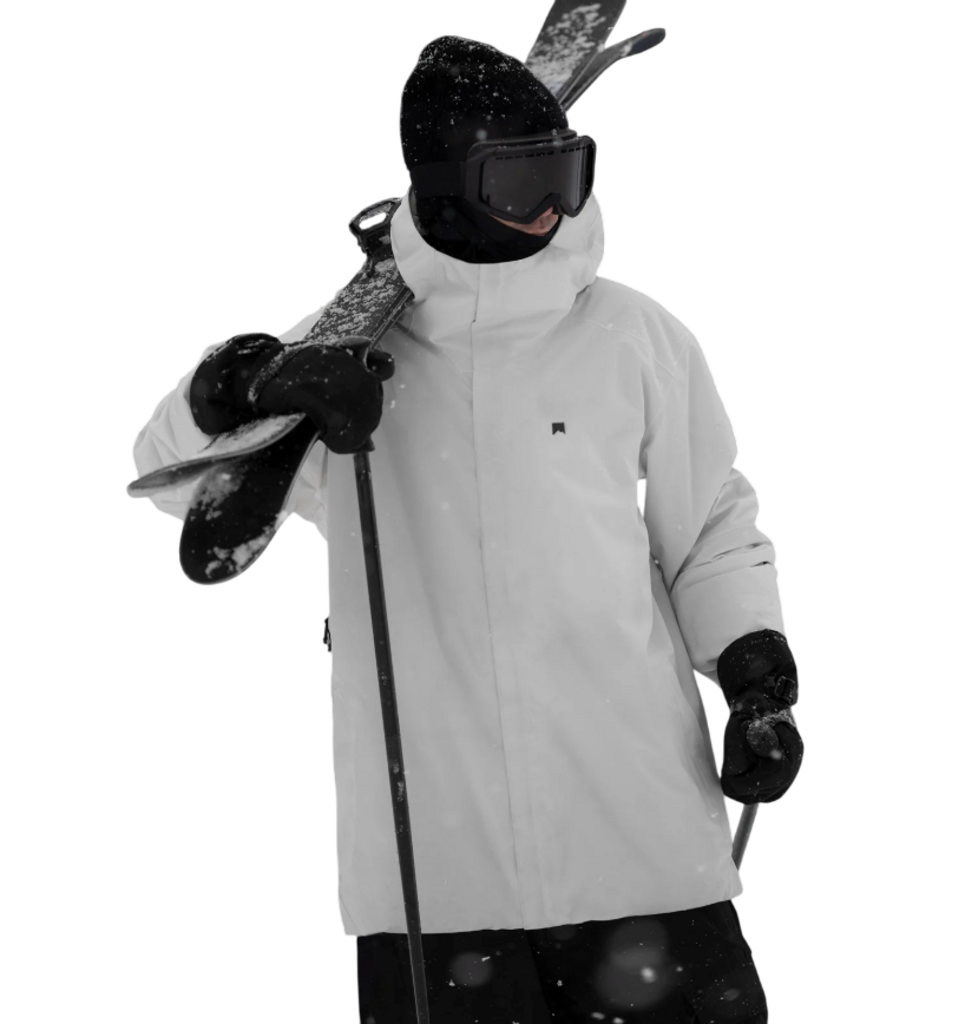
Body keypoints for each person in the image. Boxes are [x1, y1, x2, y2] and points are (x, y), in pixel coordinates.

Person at [134, 35, 803, 1024]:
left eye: (568, 175)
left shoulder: (631, 337)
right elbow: (168, 474)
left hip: (641, 843)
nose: (553, 209)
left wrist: (753, 675)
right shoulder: (349, 363)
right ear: (448, 192)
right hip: (437, 881)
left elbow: (708, 521)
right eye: (520, 183)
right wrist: (243, 382)